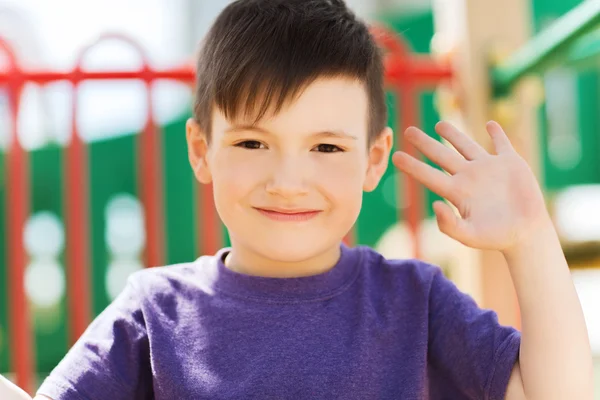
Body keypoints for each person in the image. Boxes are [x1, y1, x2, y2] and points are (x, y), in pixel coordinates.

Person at [33, 0, 593, 398]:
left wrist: (530, 239)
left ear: (374, 159)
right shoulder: (153, 313)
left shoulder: (413, 301)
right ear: (201, 150)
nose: (288, 180)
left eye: (325, 146)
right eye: (253, 141)